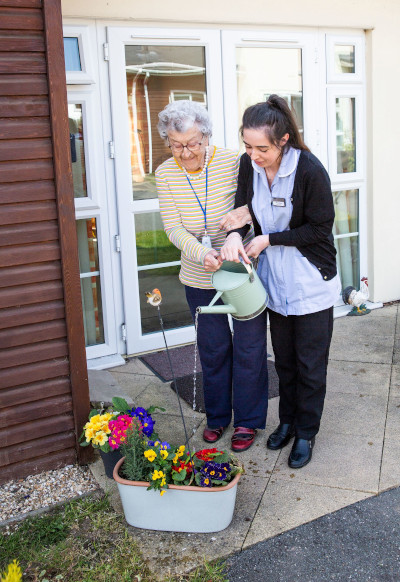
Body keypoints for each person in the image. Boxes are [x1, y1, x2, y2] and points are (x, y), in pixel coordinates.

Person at [220, 95, 341, 468]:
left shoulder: (309, 170)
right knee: (285, 362)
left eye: (262, 148)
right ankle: (287, 421)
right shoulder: (248, 164)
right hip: (274, 281)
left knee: (309, 364)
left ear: (284, 140)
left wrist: (270, 239)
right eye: (247, 146)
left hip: (310, 279)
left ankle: (306, 432)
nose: (253, 155)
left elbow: (320, 229)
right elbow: (243, 209)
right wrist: (235, 235)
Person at [155, 100, 269, 452]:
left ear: (206, 136)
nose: (185, 152)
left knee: (249, 348)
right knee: (213, 349)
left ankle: (248, 421)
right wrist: (202, 253)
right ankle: (218, 417)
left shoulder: (234, 161)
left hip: (240, 271)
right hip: (198, 275)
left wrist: (235, 237)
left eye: (192, 143)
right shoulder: (165, 173)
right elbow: (173, 228)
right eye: (176, 145)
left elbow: (253, 206)